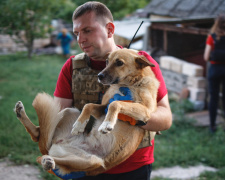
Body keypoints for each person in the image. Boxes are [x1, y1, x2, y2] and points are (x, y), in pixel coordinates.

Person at [53, 1, 172, 179]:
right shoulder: (72, 67)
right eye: (76, 33)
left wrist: (131, 114)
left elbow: (166, 119)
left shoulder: (141, 62)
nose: (80, 40)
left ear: (109, 29)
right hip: (86, 166)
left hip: (132, 168)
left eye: (87, 30)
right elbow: (59, 119)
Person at [204, 14, 225, 133]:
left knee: (214, 98)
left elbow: (206, 56)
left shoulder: (212, 37)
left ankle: (212, 126)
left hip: (215, 69)